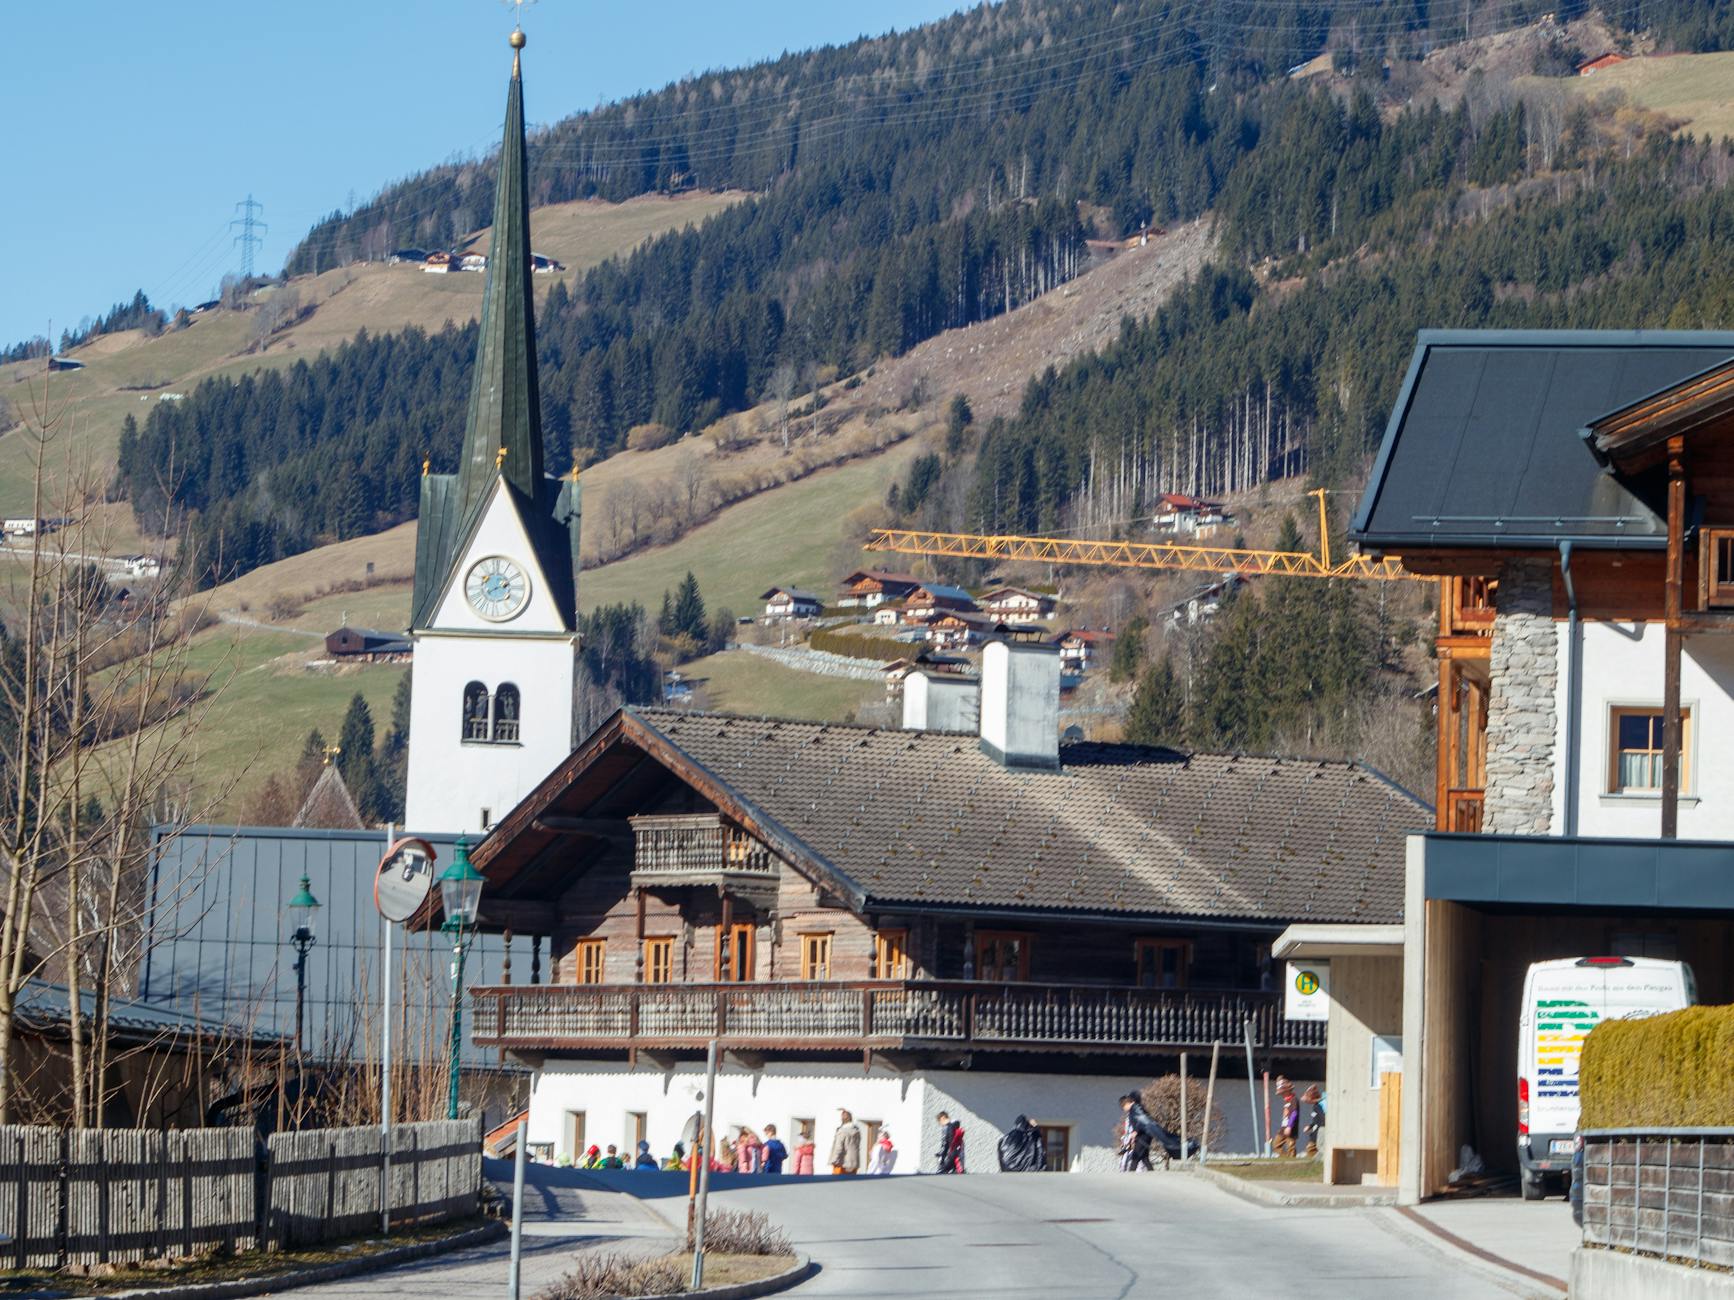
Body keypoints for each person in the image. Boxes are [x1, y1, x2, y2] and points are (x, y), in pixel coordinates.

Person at [829, 1109, 863, 1175]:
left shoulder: (842, 1132)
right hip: (853, 1162)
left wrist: (834, 1160)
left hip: (842, 1162)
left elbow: (839, 1148)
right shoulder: (856, 1131)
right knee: (850, 1183)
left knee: (837, 1183)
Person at [1273, 1077, 1300, 1158]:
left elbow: (1294, 1113)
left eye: (1283, 1093)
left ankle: (1291, 1161)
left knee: (1290, 1146)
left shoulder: (1294, 1100)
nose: (1282, 1095)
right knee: (1276, 1145)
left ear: (1287, 1090)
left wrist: (1289, 1126)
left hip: (1290, 1128)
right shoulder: (1287, 1101)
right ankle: (1285, 1158)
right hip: (1283, 1128)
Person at [1302, 1085, 1325, 1158]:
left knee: (1311, 1148)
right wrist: (1310, 1126)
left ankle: (1315, 1162)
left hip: (1319, 1131)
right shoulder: (1316, 1106)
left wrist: (1317, 1128)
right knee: (1312, 1148)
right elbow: (1316, 1119)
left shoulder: (1318, 1106)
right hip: (1316, 1130)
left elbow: (1322, 1119)